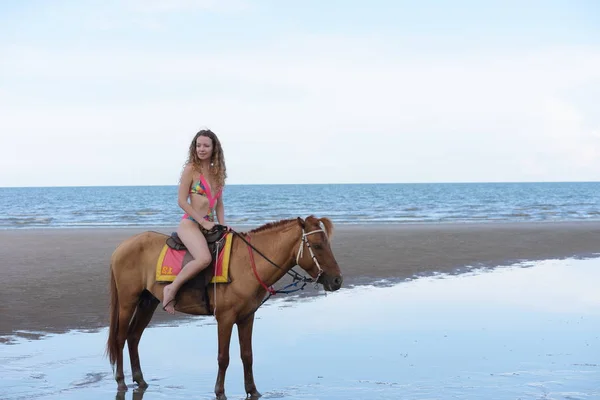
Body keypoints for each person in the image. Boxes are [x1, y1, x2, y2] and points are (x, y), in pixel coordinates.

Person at [162, 129, 227, 314]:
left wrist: (223, 224)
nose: (201, 149)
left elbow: (219, 204)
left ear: (214, 148)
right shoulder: (191, 169)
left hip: (211, 225)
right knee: (204, 258)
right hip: (190, 223)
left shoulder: (217, 173)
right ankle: (171, 289)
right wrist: (202, 221)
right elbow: (182, 201)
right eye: (198, 145)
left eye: (206, 145)